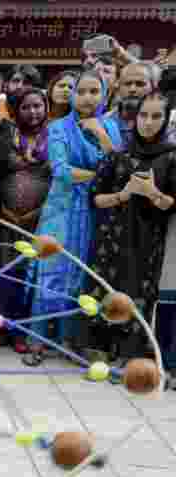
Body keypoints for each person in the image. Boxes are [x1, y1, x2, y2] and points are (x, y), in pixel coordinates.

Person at [25, 71, 121, 365]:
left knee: (81, 277)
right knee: (51, 270)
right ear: (73, 95)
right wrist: (100, 175)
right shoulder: (58, 128)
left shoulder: (111, 127)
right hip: (62, 209)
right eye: (82, 91)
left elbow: (120, 166)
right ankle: (38, 341)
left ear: (104, 94)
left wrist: (102, 135)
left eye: (94, 91)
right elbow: (61, 171)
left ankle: (69, 339)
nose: (87, 97)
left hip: (95, 213)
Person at [88, 92, 176, 375]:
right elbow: (95, 198)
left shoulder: (171, 156)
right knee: (107, 288)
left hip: (149, 239)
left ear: (166, 120)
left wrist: (152, 193)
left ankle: (130, 354)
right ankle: (101, 350)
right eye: (143, 115)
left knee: (140, 292)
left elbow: (171, 203)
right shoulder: (118, 153)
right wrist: (124, 194)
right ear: (134, 117)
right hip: (111, 237)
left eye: (156, 116)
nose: (148, 123)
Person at [0, 87, 52, 354]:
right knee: (3, 273)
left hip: (41, 219)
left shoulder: (54, 136)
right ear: (15, 110)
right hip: (5, 218)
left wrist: (41, 211)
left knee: (30, 276)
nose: (33, 112)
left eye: (38, 106)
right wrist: (2, 208)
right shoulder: (5, 133)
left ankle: (21, 331)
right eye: (26, 107)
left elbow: (57, 178)